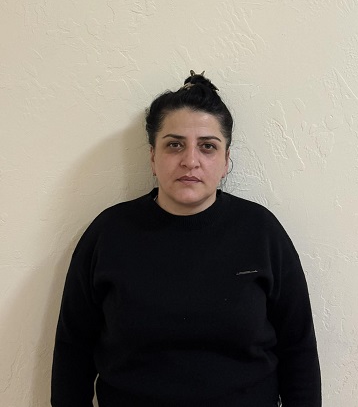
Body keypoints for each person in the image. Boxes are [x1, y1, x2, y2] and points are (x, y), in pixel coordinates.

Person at [51, 71, 321, 407]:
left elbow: (299, 350)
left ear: (226, 160)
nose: (190, 161)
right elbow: (72, 351)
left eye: (208, 146)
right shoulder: (108, 234)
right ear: (153, 156)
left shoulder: (262, 233)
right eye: (174, 144)